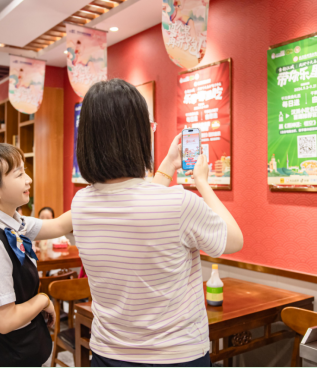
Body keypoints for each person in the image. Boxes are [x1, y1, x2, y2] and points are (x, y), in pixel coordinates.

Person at [73, 79, 244, 367]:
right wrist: (201, 182)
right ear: (137, 135)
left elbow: (136, 205)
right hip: (175, 356)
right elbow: (234, 239)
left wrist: (167, 165)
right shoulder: (177, 204)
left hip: (107, 354)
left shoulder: (80, 204)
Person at [0, 143, 73, 366]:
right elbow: (4, 320)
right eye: (19, 174)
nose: (28, 179)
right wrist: (42, 299)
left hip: (22, 352)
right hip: (2, 359)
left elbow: (58, 226)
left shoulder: (10, 221)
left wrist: (99, 194)